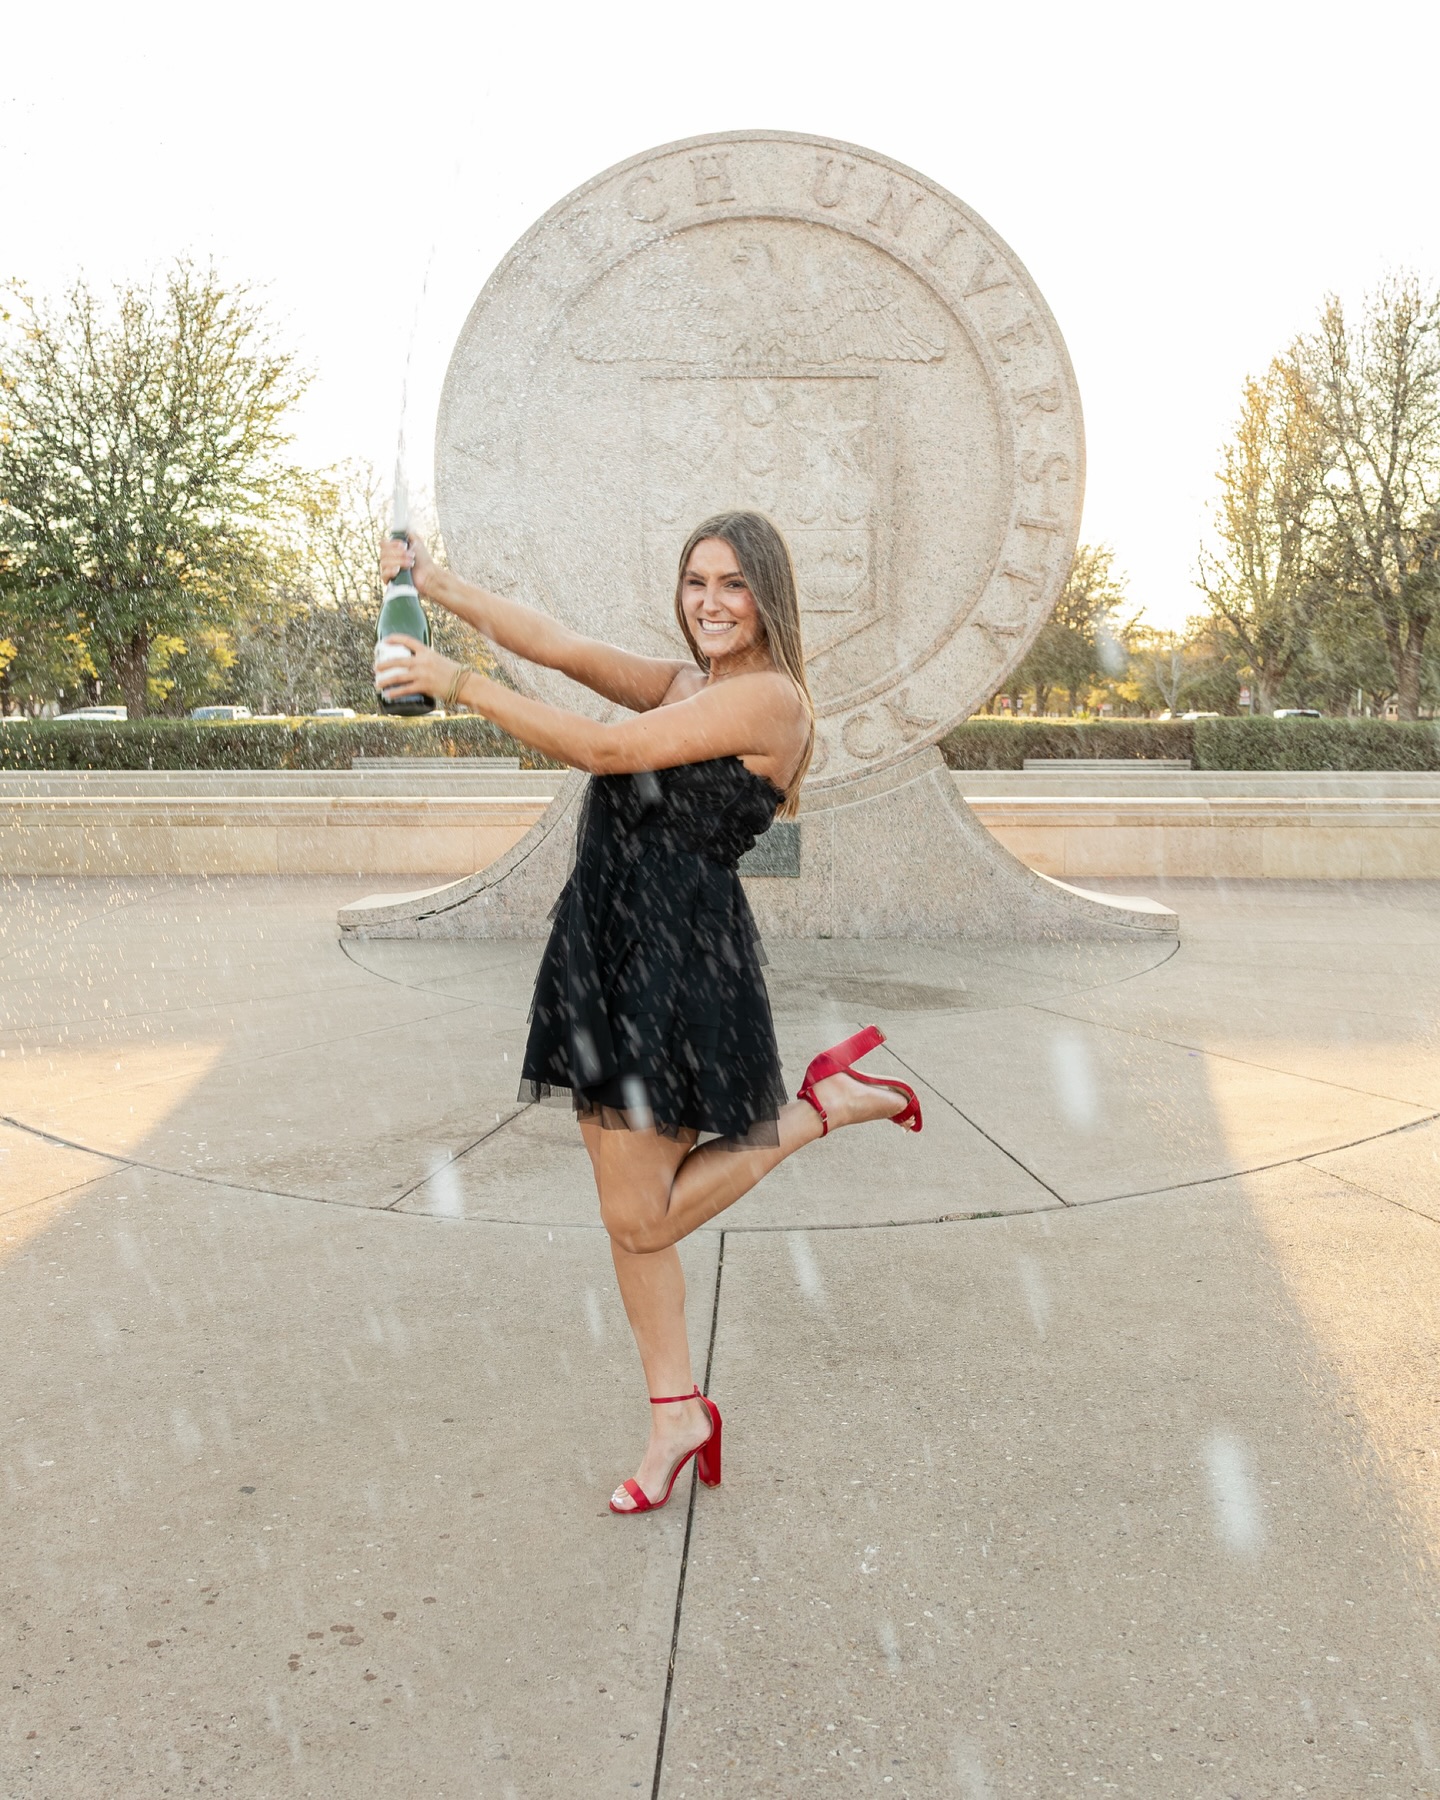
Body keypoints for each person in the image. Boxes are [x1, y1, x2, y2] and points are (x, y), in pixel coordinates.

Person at [375, 512, 922, 1514]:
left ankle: (824, 1108)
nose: (709, 602)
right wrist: (440, 586)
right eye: (695, 582)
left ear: (769, 598)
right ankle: (676, 1413)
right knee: (632, 1224)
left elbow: (603, 748)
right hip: (607, 948)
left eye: (733, 585)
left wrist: (457, 684)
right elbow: (563, 647)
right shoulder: (693, 686)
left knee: (641, 1213)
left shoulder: (768, 700)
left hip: (674, 966)